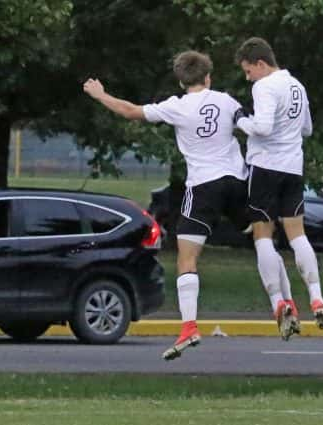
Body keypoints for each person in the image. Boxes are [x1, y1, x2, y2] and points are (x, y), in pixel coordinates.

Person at [83, 51, 249, 361]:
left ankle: (189, 327)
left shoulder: (176, 106)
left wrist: (100, 94)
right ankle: (284, 301)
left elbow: (130, 111)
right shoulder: (226, 101)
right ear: (208, 76)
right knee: (261, 231)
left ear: (181, 80)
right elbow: (251, 125)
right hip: (237, 182)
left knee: (187, 261)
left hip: (203, 187)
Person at [234, 37, 323, 341]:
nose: (248, 77)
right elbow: (307, 129)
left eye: (248, 71)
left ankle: (279, 302)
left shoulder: (264, 87)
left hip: (265, 167)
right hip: (293, 167)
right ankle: (316, 297)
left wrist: (241, 121)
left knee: (263, 236)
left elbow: (261, 127)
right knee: (297, 234)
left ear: (260, 64)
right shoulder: (297, 86)